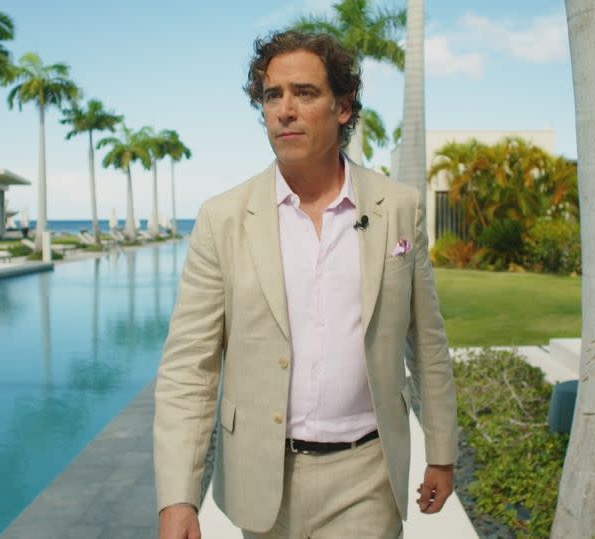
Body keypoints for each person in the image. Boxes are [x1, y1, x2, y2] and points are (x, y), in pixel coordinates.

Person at [154, 30, 457, 539]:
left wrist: (442, 453)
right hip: (262, 478)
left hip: (367, 474)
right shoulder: (222, 219)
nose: (284, 110)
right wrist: (178, 497)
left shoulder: (397, 208)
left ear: (343, 107)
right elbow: (190, 367)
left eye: (305, 93)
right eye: (273, 95)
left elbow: (427, 343)